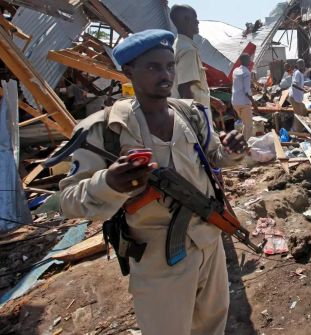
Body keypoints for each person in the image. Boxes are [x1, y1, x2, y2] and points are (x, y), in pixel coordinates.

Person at [59, 29, 247, 335]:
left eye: (170, 66)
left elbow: (213, 158)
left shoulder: (191, 114)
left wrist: (231, 151)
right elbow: (68, 200)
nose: (166, 74)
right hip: (158, 261)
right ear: (129, 72)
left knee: (214, 324)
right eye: (154, 67)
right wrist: (109, 183)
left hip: (209, 242)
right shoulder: (103, 129)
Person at [169, 4, 225, 125]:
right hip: (195, 118)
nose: (197, 21)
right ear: (186, 19)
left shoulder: (178, 46)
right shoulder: (188, 50)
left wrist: (211, 100)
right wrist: (193, 125)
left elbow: (192, 87)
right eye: (194, 17)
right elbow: (185, 89)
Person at [231, 53, 255, 141]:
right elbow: (247, 91)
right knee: (249, 126)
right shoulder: (246, 72)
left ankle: (243, 141)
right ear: (244, 61)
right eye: (248, 59)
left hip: (235, 102)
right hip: (244, 103)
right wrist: (254, 103)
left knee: (245, 124)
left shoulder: (235, 70)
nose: (249, 61)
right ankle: (246, 146)